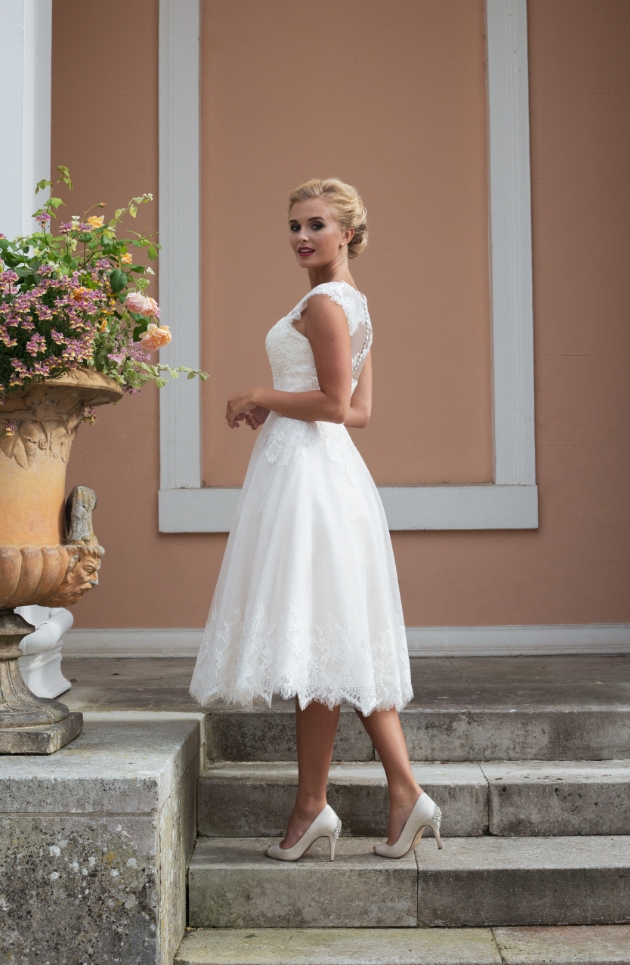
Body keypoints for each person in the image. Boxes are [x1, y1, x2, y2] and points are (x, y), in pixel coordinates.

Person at [190, 178, 443, 861]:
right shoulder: (353, 305)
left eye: (316, 225)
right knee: (330, 646)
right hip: (324, 474)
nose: (302, 237)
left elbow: (337, 404)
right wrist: (279, 405)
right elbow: (357, 412)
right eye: (295, 225)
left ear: (349, 234)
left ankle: (335, 803)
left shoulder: (327, 304)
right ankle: (368, 798)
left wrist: (260, 394)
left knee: (323, 642)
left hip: (309, 480)